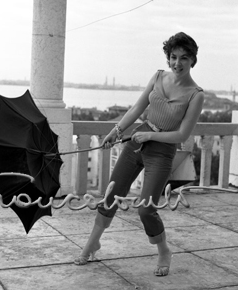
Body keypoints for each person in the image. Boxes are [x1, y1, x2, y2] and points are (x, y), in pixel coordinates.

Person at [74, 32, 204, 276]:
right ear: (168, 58)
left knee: (146, 209)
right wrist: (116, 130)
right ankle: (93, 243)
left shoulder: (196, 94)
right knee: (111, 194)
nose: (177, 63)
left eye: (184, 58)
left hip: (162, 148)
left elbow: (182, 135)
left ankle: (164, 251)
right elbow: (137, 107)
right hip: (137, 139)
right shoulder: (157, 77)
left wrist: (150, 136)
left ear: (193, 60)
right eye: (173, 57)